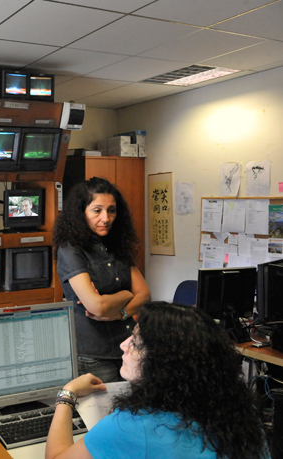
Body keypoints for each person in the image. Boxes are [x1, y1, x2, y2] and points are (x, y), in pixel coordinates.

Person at [45, 301, 270, 459]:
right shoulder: (240, 407)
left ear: (163, 363)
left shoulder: (133, 425)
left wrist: (67, 395)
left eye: (135, 342)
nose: (124, 345)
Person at [53, 177, 150, 382]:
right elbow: (97, 306)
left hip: (127, 349)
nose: (106, 218)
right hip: (94, 356)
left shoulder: (116, 243)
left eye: (111, 210)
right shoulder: (70, 249)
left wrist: (121, 312)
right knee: (102, 414)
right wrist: (126, 294)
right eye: (97, 210)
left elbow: (145, 295)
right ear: (82, 213)